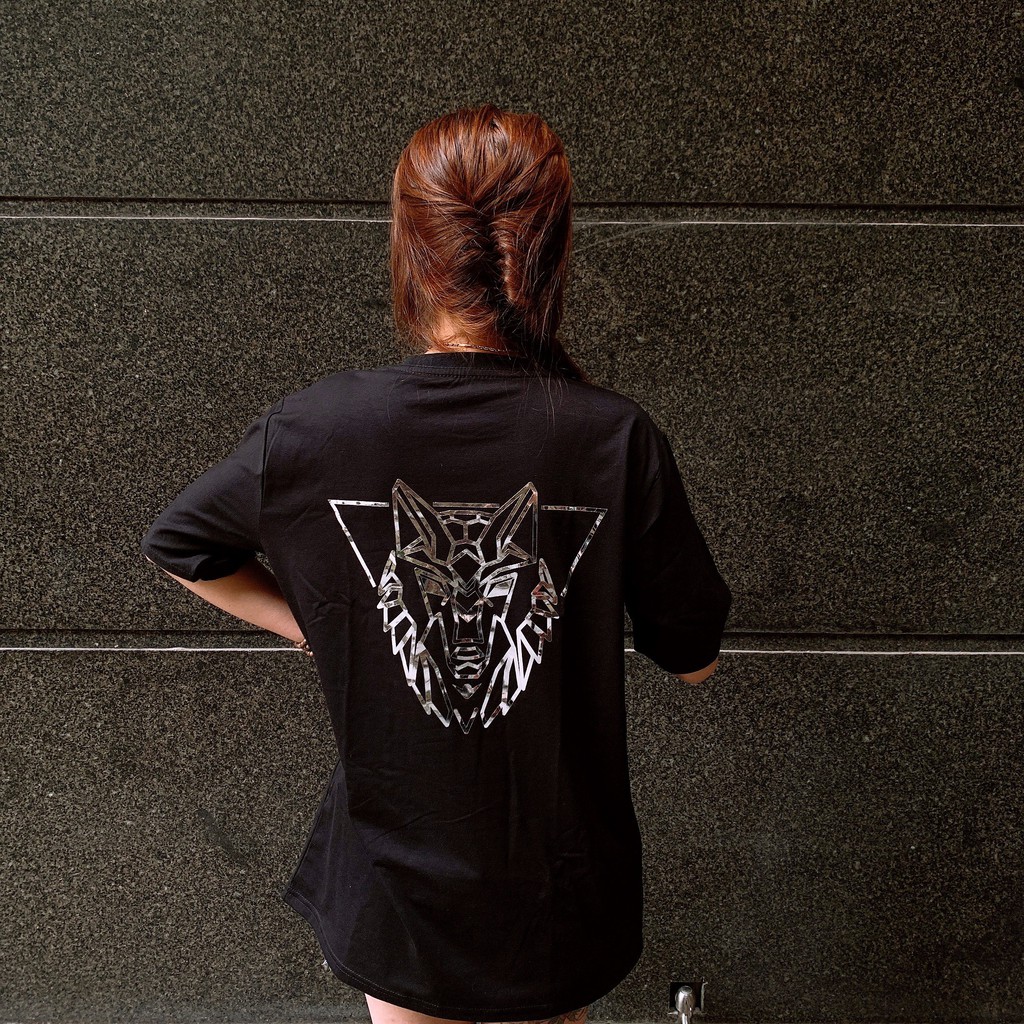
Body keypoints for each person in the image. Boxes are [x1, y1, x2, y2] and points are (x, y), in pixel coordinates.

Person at [140, 103, 732, 1024]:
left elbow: (180, 544)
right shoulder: (613, 439)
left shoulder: (317, 428)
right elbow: (693, 657)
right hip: (556, 886)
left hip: (395, 887)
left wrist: (312, 624)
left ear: (413, 250)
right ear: (551, 249)